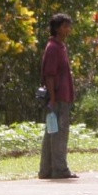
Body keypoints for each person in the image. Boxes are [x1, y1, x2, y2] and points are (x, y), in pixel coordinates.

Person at [39, 13, 77, 180]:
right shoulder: (53, 48)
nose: (68, 29)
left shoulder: (60, 46)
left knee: (51, 131)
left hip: (62, 96)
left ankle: (46, 170)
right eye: (65, 26)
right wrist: (53, 98)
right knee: (59, 133)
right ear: (57, 28)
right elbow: (49, 75)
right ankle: (60, 169)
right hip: (58, 97)